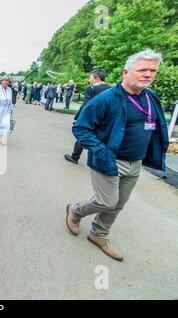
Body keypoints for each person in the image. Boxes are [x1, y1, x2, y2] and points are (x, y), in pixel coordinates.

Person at [66, 49, 169, 261]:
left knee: (119, 203)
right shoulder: (106, 99)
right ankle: (75, 211)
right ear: (125, 71)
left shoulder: (151, 98)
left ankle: (98, 234)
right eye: (142, 69)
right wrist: (101, 151)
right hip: (109, 160)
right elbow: (81, 128)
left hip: (136, 162)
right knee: (106, 201)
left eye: (153, 70)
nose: (148, 74)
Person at [64, 70, 112, 164]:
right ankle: (100, 159)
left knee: (83, 136)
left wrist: (78, 117)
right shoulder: (110, 89)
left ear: (97, 78)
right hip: (104, 119)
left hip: (90, 118)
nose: (90, 80)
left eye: (91, 78)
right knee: (100, 138)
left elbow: (86, 105)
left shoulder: (91, 88)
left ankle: (75, 157)